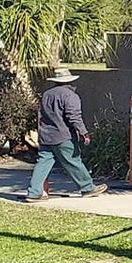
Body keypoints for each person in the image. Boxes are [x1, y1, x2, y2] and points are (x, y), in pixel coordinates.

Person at [27, 68, 106, 201]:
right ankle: (87, 187)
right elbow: (74, 116)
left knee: (43, 163)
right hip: (63, 136)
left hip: (46, 136)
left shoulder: (47, 94)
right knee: (73, 161)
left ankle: (34, 192)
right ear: (70, 82)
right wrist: (83, 132)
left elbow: (41, 115)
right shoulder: (70, 96)